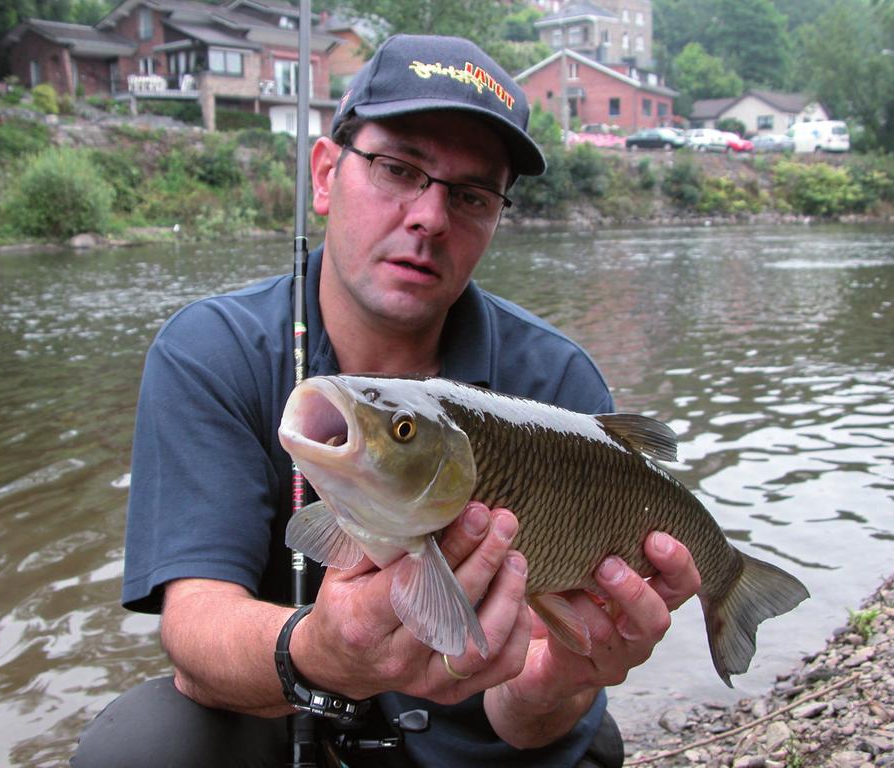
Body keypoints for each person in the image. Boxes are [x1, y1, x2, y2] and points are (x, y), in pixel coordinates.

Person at [72, 34, 701, 768]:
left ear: (496, 217)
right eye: (399, 168)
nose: (430, 218)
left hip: (483, 750)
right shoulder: (212, 351)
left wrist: (554, 685)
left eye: (469, 195)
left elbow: (527, 716)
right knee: (144, 745)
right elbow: (194, 630)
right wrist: (325, 653)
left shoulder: (556, 387)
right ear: (326, 173)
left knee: (584, 737)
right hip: (289, 727)